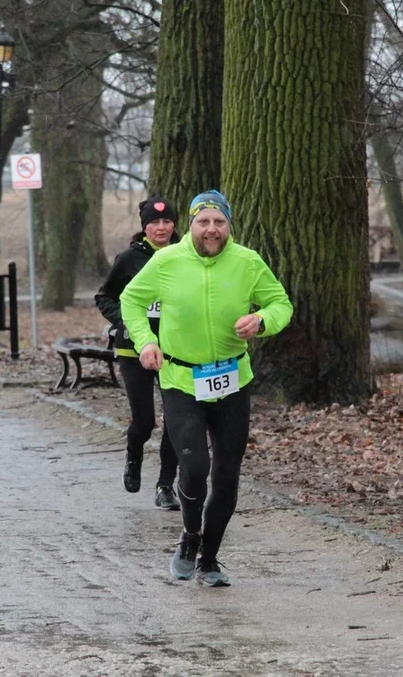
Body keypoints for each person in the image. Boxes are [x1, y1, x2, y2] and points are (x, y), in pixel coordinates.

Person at [120, 190, 293, 587]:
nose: (212, 229)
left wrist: (263, 320)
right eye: (204, 222)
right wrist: (146, 340)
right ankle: (189, 537)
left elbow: (281, 303)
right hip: (182, 380)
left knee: (227, 477)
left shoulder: (247, 262)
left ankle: (210, 560)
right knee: (195, 468)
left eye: (219, 222)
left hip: (232, 382)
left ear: (228, 225)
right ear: (192, 225)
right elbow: (131, 300)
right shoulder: (166, 261)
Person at [95, 197, 182, 510]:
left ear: (174, 224)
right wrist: (127, 320)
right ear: (144, 226)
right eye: (154, 223)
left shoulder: (185, 254)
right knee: (144, 421)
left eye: (167, 222)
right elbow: (104, 297)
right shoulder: (130, 258)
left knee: (176, 420)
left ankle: (165, 486)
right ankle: (134, 455)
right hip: (134, 350)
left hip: (176, 349)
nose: (161, 228)